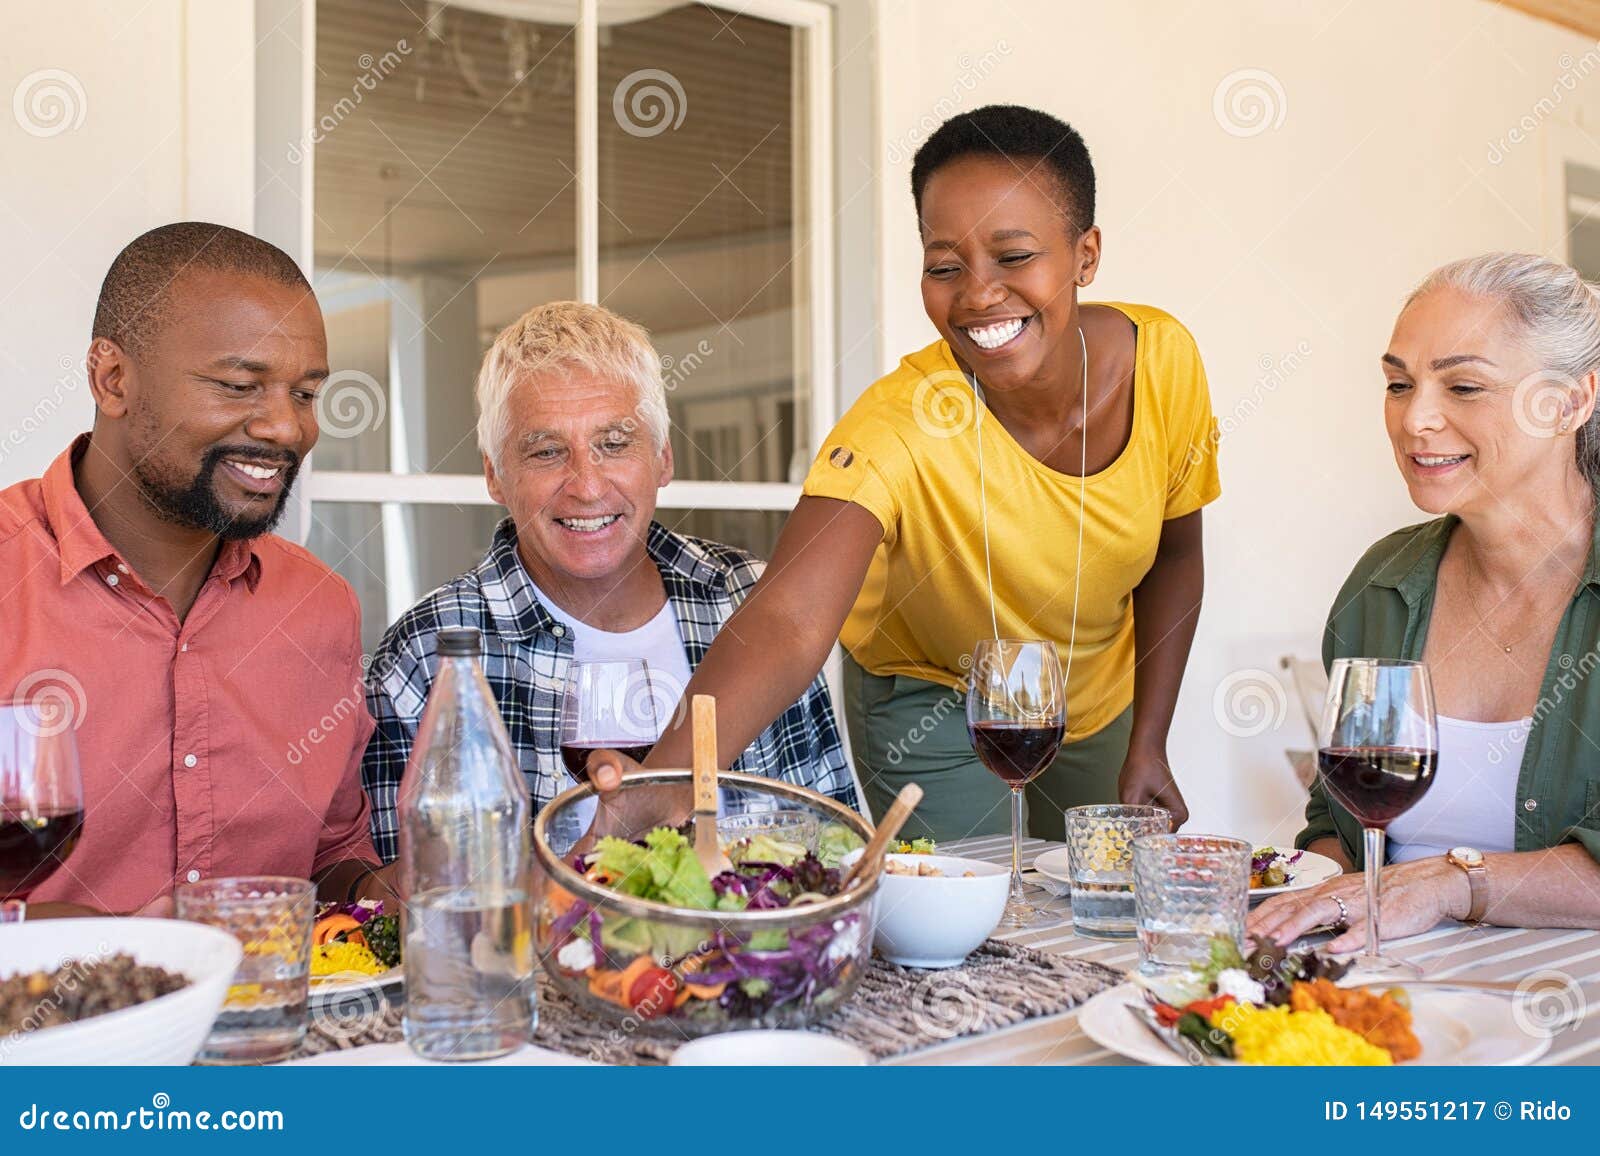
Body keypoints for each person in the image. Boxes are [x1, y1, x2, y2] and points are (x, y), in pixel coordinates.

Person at [594, 105, 1220, 840]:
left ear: (1085, 255)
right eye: (945, 267)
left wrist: (1150, 739)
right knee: (967, 920)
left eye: (1014, 257)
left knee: (1103, 907)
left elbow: (1175, 556)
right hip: (931, 698)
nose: (979, 294)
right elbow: (789, 620)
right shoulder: (900, 421)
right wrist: (670, 783)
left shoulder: (1166, 362)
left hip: (1095, 695)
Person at [361, 302, 857, 862]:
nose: (588, 486)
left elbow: (834, 855)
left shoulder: (751, 600)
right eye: (547, 452)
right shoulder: (428, 651)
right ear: (495, 475)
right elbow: (402, 907)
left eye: (615, 444)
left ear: (663, 459)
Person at [0, 222, 398, 918]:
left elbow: (331, 856)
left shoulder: (319, 606)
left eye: (305, 394)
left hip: (275, 1025)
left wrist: (376, 893)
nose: (285, 428)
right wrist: (75, 948)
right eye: (241, 385)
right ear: (113, 378)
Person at [1251, 253, 1600, 951]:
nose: (1416, 420)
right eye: (1399, 384)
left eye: (1464, 386)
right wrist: (1299, 900)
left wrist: (1452, 883)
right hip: (1391, 1005)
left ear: (1570, 402)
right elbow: (1337, 816)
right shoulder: (1383, 581)